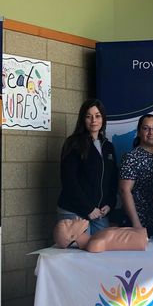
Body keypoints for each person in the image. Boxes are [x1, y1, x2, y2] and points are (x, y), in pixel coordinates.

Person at [57, 99, 118, 234]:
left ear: (103, 118)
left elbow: (113, 180)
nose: (93, 120)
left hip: (99, 213)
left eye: (97, 116)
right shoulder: (73, 143)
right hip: (74, 210)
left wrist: (109, 204)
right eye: (88, 116)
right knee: (79, 248)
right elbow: (69, 181)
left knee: (102, 245)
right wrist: (88, 208)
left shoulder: (108, 146)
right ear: (83, 120)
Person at [119, 114, 153, 237]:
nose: (151, 132)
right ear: (138, 132)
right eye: (146, 128)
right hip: (140, 221)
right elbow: (124, 191)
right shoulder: (131, 157)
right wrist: (136, 224)